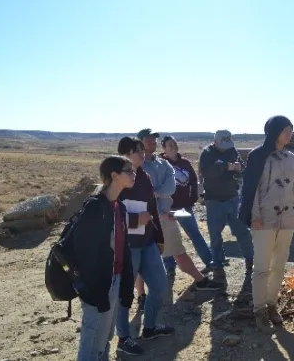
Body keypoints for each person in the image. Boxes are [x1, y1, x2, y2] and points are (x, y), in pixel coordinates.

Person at [238, 116, 294, 333]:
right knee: (262, 267)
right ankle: (259, 309)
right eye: (286, 130)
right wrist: (254, 216)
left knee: (279, 264)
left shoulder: (291, 157)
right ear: (275, 132)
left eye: (291, 130)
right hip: (263, 218)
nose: (290, 134)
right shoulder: (258, 156)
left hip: (287, 219)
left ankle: (272, 304)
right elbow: (251, 189)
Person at [136, 130, 222, 292]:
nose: (151, 143)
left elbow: (170, 187)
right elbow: (143, 191)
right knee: (142, 257)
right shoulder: (137, 167)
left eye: (153, 141)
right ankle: (141, 295)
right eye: (147, 141)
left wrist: (157, 192)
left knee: (178, 249)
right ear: (139, 143)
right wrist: (157, 193)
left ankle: (202, 279)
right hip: (146, 218)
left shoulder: (163, 164)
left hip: (167, 215)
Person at [74, 155, 135, 361]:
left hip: (114, 279)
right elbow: (84, 252)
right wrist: (94, 291)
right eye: (129, 170)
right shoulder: (94, 208)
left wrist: (125, 284)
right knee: (92, 339)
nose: (133, 174)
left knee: (105, 336)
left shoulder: (120, 207)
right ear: (114, 175)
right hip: (97, 284)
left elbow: (122, 248)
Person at [115, 137, 172, 356]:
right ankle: (123, 338)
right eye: (137, 150)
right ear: (125, 155)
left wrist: (159, 237)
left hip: (147, 242)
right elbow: (110, 214)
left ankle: (149, 328)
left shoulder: (145, 177)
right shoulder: (118, 180)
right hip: (127, 246)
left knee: (159, 285)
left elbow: (152, 209)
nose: (142, 153)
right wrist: (133, 220)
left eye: (141, 150)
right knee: (125, 294)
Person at [199, 130, 254, 273]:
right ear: (215, 141)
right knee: (215, 235)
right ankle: (217, 262)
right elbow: (206, 173)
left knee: (242, 231)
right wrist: (224, 166)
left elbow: (242, 167)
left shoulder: (232, 150)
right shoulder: (207, 153)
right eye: (223, 144)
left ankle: (250, 259)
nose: (226, 147)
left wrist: (238, 167)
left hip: (232, 199)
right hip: (214, 200)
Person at [159, 135, 213, 275]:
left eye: (175, 144)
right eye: (170, 145)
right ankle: (170, 267)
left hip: (184, 206)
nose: (174, 147)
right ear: (164, 148)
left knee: (195, 233)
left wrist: (193, 197)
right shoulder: (160, 164)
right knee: (166, 238)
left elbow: (193, 181)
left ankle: (209, 261)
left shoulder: (185, 163)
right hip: (167, 208)